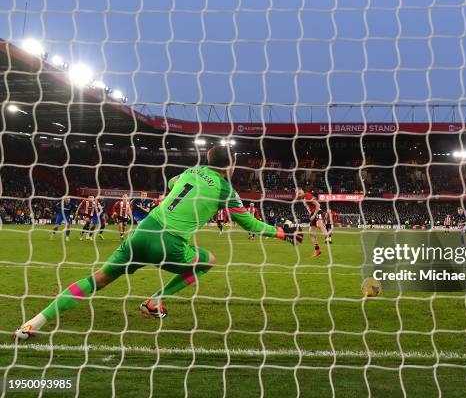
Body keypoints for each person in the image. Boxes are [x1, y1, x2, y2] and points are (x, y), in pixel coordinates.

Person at [16, 145, 302, 340]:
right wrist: (282, 233)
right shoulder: (225, 188)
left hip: (142, 232)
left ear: (207, 158)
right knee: (207, 261)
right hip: (170, 245)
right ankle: (154, 300)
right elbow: (249, 223)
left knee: (98, 278)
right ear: (232, 166)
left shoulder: (190, 172)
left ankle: (33, 323)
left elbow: (172, 180)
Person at [296, 189, 328, 258]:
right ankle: (317, 250)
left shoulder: (307, 195)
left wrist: (314, 215)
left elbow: (318, 205)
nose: (299, 194)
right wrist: (311, 215)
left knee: (319, 224)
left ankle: (327, 237)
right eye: (298, 193)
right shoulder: (304, 199)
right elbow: (310, 208)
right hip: (313, 213)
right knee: (311, 232)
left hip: (317, 211)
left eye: (300, 192)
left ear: (303, 191)